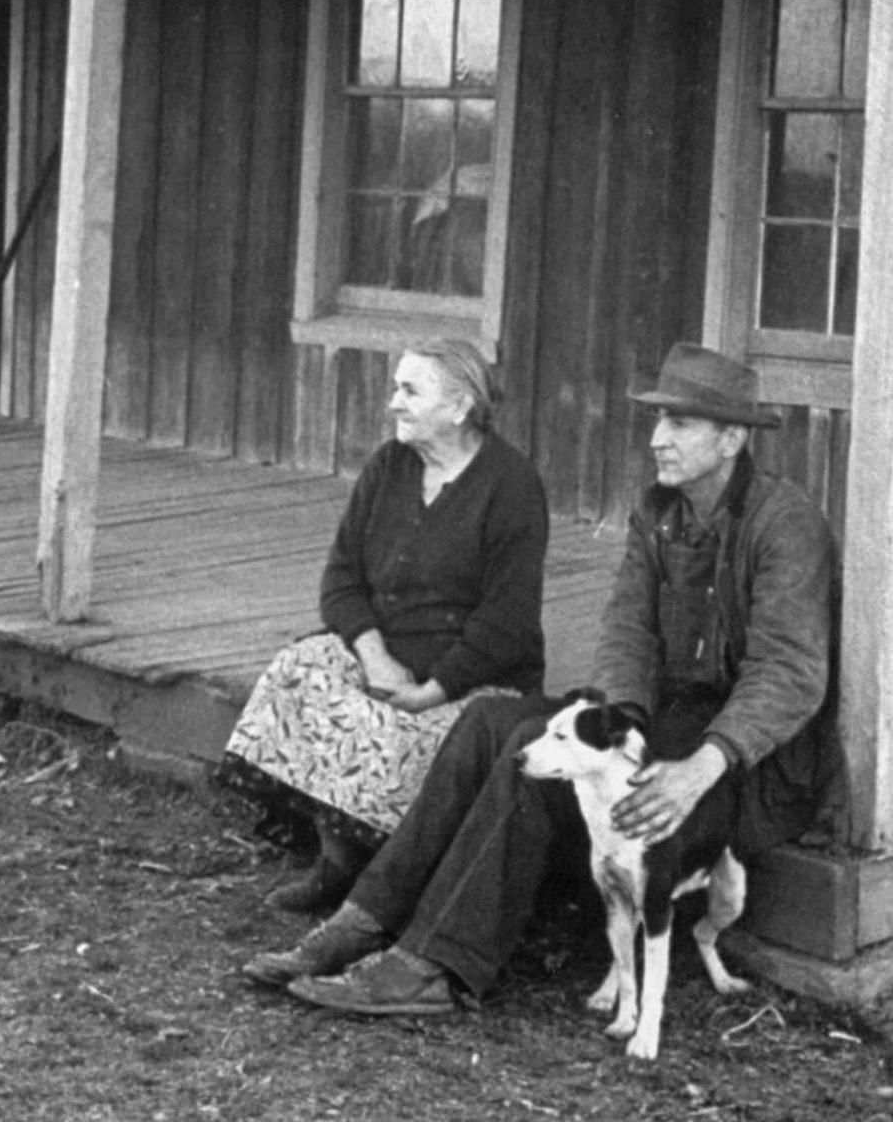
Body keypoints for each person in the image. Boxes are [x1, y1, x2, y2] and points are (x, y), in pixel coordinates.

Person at [241, 342, 840, 1013]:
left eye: (678, 425)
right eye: (657, 421)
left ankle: (433, 965)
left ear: (731, 439)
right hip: (661, 728)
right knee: (485, 723)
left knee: (531, 758)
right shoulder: (660, 512)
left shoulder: (782, 523)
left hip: (744, 765)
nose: (655, 440)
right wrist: (623, 726)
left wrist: (702, 766)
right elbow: (626, 633)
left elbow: (789, 673)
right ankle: (363, 918)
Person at [216, 338, 549, 916]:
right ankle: (337, 862)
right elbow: (341, 579)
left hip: (470, 678)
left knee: (402, 731)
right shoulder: (389, 466)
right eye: (396, 387)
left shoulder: (511, 487)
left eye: (409, 390)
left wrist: (430, 690)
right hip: (388, 656)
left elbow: (507, 624)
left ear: (460, 406)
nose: (393, 403)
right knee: (302, 670)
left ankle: (390, 882)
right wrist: (373, 656)